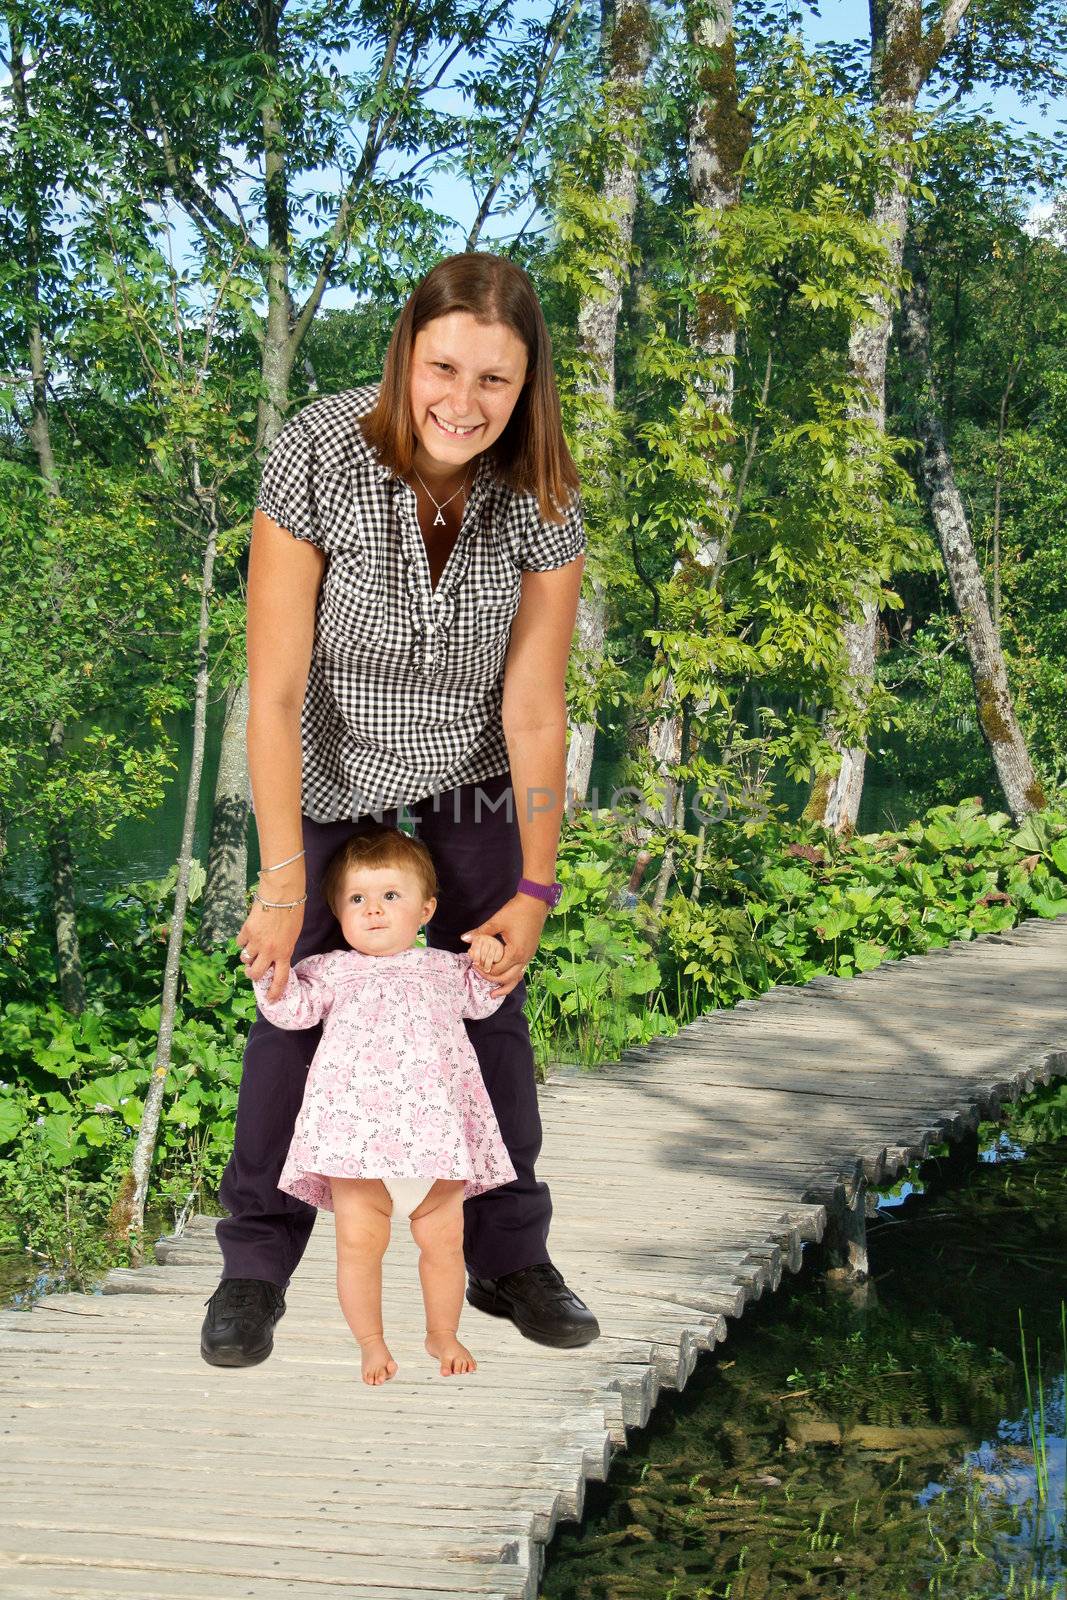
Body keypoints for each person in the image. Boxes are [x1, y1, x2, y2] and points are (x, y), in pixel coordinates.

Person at [201, 250, 601, 1367]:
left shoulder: (540, 497)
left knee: (487, 996)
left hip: (469, 763)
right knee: (292, 998)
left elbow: (532, 708)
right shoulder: (318, 456)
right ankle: (254, 1266)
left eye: (494, 381)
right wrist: (283, 881)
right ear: (404, 354)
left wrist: (531, 886)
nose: (461, 403)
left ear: (527, 388)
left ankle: (507, 1253)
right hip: (327, 763)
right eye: (443, 367)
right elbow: (272, 692)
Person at [247, 824, 517, 1384]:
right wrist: (268, 967)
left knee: (443, 1244)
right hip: (355, 1144)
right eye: (357, 899)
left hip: (434, 1141)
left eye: (391, 896)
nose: (373, 910)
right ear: (338, 912)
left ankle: (441, 1332)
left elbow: (486, 996)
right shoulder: (328, 971)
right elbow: (289, 1010)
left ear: (426, 909)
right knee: (358, 1246)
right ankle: (370, 1343)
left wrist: (491, 955)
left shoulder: (446, 968)